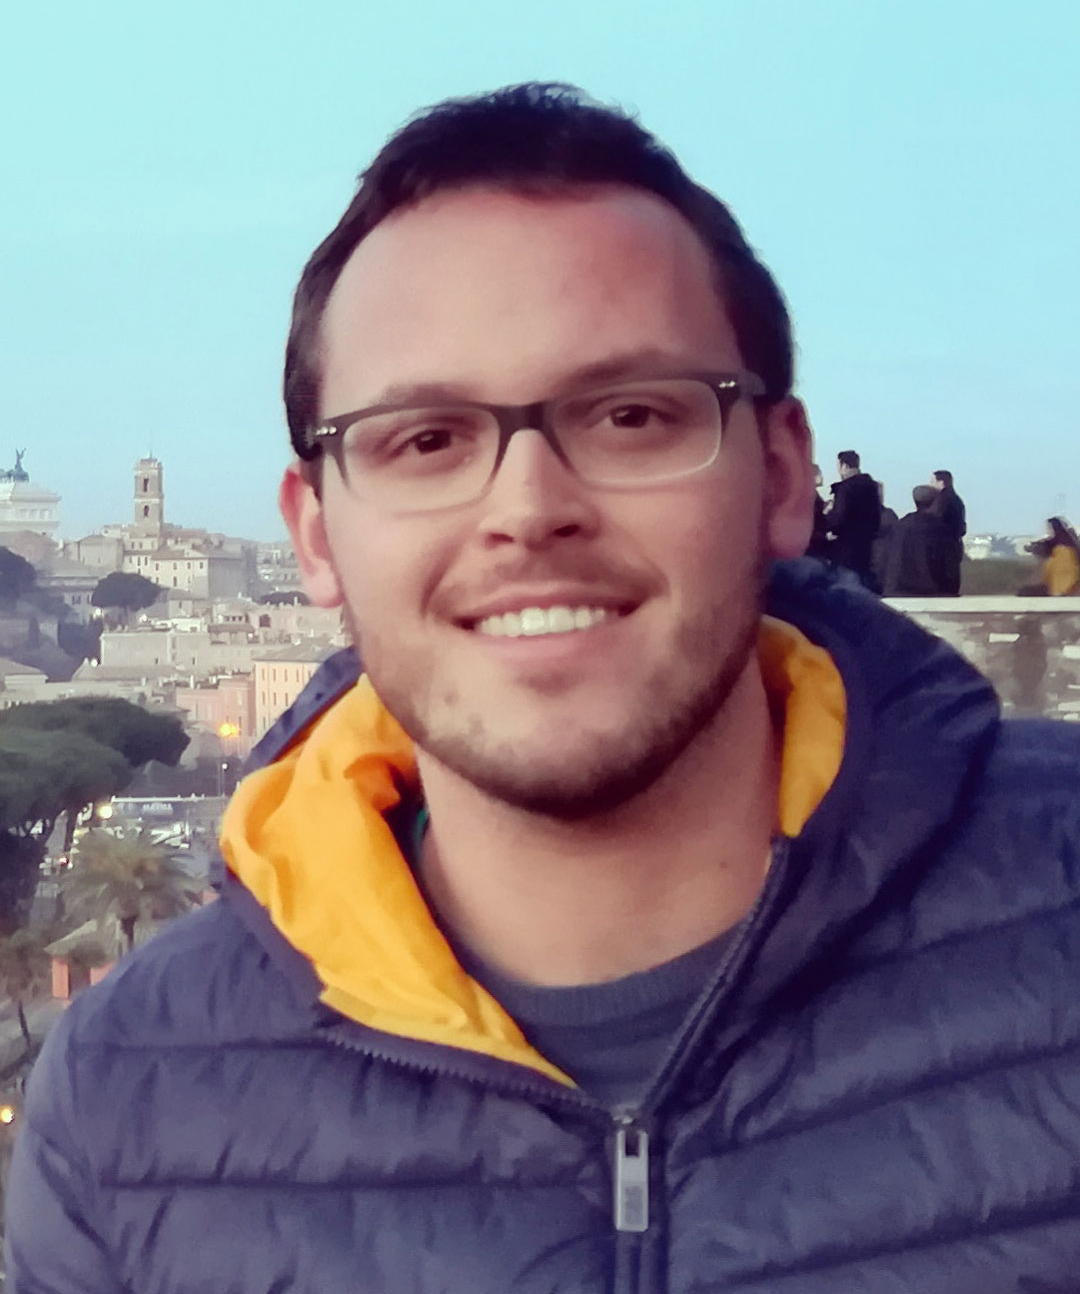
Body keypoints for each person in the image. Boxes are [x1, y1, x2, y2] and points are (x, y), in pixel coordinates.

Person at [10, 85, 1080, 1293]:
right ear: (314, 535)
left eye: (630, 415)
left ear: (784, 476)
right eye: (425, 439)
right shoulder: (122, 1105)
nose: (527, 508)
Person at [825, 449, 882, 587]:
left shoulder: (845, 488)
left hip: (846, 546)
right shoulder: (872, 487)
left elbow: (839, 517)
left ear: (844, 465)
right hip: (866, 545)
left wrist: (828, 524)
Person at [881, 484, 952, 596]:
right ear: (935, 502)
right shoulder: (937, 528)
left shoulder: (902, 525)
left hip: (898, 589)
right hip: (928, 591)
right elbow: (945, 564)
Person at [930, 468, 966, 595]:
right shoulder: (956, 500)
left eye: (932, 481)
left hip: (943, 548)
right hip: (954, 546)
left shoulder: (942, 501)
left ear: (941, 483)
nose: (930, 485)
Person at [1026, 516, 1080, 596]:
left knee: (1061, 577)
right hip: (1060, 561)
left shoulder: (1064, 541)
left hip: (1065, 562)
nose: (1048, 529)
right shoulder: (1063, 538)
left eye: (1050, 527)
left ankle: (1060, 591)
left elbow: (1049, 544)